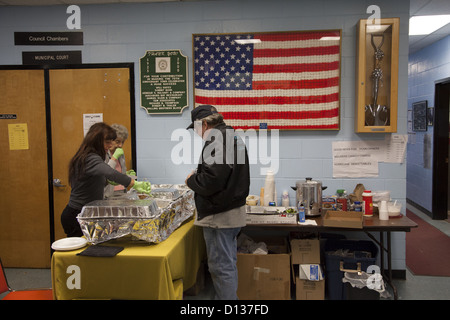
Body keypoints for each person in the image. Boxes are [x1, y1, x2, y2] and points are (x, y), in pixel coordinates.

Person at [185, 105, 250, 300]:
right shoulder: (233, 136)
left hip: (219, 215)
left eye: (196, 129)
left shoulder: (216, 139)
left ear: (204, 124)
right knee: (228, 264)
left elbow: (211, 181)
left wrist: (191, 180)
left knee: (221, 268)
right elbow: (225, 174)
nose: (197, 134)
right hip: (232, 210)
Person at [61, 122, 150, 237]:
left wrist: (108, 181)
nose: (111, 145)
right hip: (76, 213)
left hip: (85, 212)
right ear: (96, 141)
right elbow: (109, 171)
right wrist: (132, 183)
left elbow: (95, 179)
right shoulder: (90, 157)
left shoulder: (92, 156)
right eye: (108, 142)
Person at [104, 123, 136, 198]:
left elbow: (119, 175)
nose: (120, 145)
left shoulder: (120, 154)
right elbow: (106, 174)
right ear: (110, 140)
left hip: (122, 192)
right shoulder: (103, 153)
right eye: (117, 141)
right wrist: (114, 158)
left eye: (123, 142)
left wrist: (128, 175)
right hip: (108, 195)